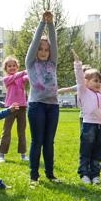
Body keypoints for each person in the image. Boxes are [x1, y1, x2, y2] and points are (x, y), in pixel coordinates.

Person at [25, 11, 61, 186]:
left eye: (46, 50)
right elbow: (34, 43)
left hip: (52, 106)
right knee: (37, 141)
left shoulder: (52, 62)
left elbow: (54, 44)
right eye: (41, 48)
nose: (44, 51)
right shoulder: (31, 63)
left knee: (49, 141)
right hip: (36, 105)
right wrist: (42, 23)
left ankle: (50, 174)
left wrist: (51, 24)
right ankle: (34, 176)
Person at [72, 49, 101, 184]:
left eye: (99, 81)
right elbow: (79, 78)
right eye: (95, 80)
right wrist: (77, 63)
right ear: (86, 82)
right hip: (89, 125)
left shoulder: (98, 91)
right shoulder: (83, 90)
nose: (99, 83)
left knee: (97, 152)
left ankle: (95, 175)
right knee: (86, 151)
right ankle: (84, 174)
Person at [0, 56, 29, 163]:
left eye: (14, 66)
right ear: (6, 68)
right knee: (6, 131)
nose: (12, 67)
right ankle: (1, 154)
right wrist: (25, 71)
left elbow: (28, 77)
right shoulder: (6, 79)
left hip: (22, 107)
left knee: (22, 131)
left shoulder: (21, 78)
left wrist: (32, 71)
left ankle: (23, 154)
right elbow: (16, 76)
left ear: (17, 66)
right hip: (10, 108)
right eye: (9, 66)